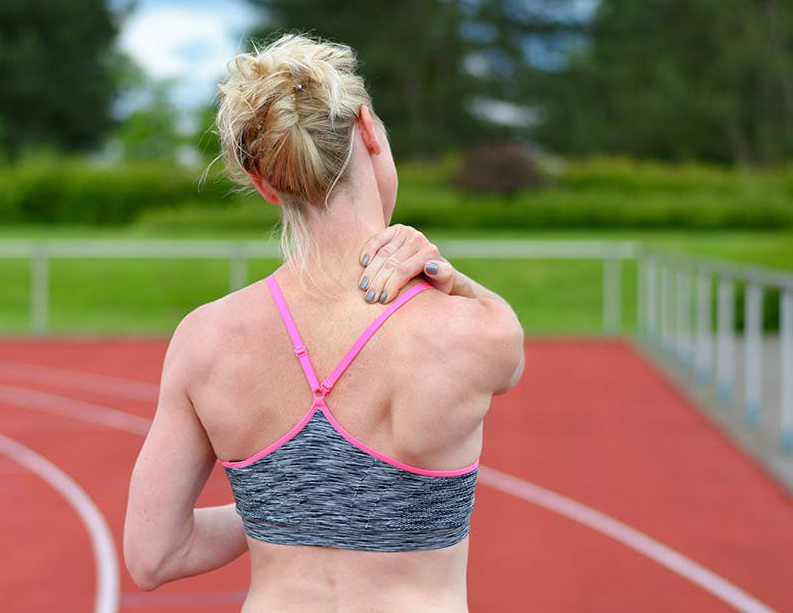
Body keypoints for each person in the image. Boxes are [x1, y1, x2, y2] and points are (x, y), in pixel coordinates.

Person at [123, 34, 525, 612]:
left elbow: (153, 555)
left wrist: (279, 503)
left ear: (264, 183)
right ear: (367, 127)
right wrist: (452, 279)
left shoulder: (205, 341)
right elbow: (511, 361)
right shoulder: (471, 332)